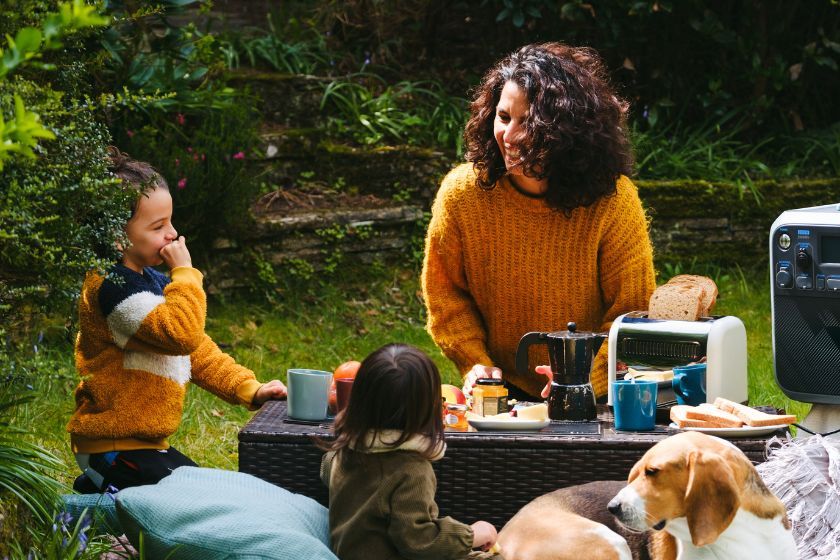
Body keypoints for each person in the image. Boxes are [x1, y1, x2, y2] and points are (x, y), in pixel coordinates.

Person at [422, 42, 656, 402]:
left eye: (528, 122)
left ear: (569, 130)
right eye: (503, 117)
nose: (509, 136)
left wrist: (580, 380)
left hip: (592, 395)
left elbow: (631, 314)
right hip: (498, 391)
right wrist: (476, 364)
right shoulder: (461, 194)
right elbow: (446, 295)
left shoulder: (613, 200)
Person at [67, 148, 287, 494]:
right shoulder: (113, 288)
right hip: (113, 445)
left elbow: (196, 351)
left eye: (170, 221)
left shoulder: (150, 282)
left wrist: (250, 389)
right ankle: (100, 490)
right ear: (117, 237)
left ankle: (101, 491)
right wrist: (184, 274)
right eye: (158, 226)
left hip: (145, 445)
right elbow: (181, 334)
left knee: (211, 489)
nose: (172, 233)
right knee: (196, 501)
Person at [319, 343, 502, 560]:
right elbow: (418, 541)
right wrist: (471, 535)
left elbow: (326, 470)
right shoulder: (411, 471)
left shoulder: (341, 452)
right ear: (428, 410)